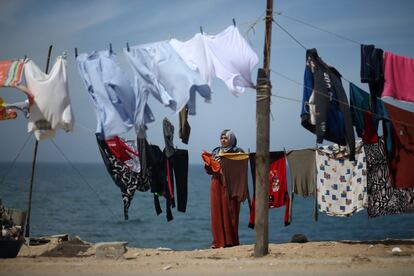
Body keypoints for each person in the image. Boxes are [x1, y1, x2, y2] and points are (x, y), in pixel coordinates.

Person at [202, 129, 245, 249]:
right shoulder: (216, 151)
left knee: (230, 212)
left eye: (226, 138)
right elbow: (209, 171)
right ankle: (218, 242)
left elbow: (241, 168)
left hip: (231, 185)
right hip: (216, 184)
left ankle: (231, 241)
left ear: (231, 139)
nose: (223, 140)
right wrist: (208, 163)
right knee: (216, 212)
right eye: (221, 138)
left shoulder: (238, 151)